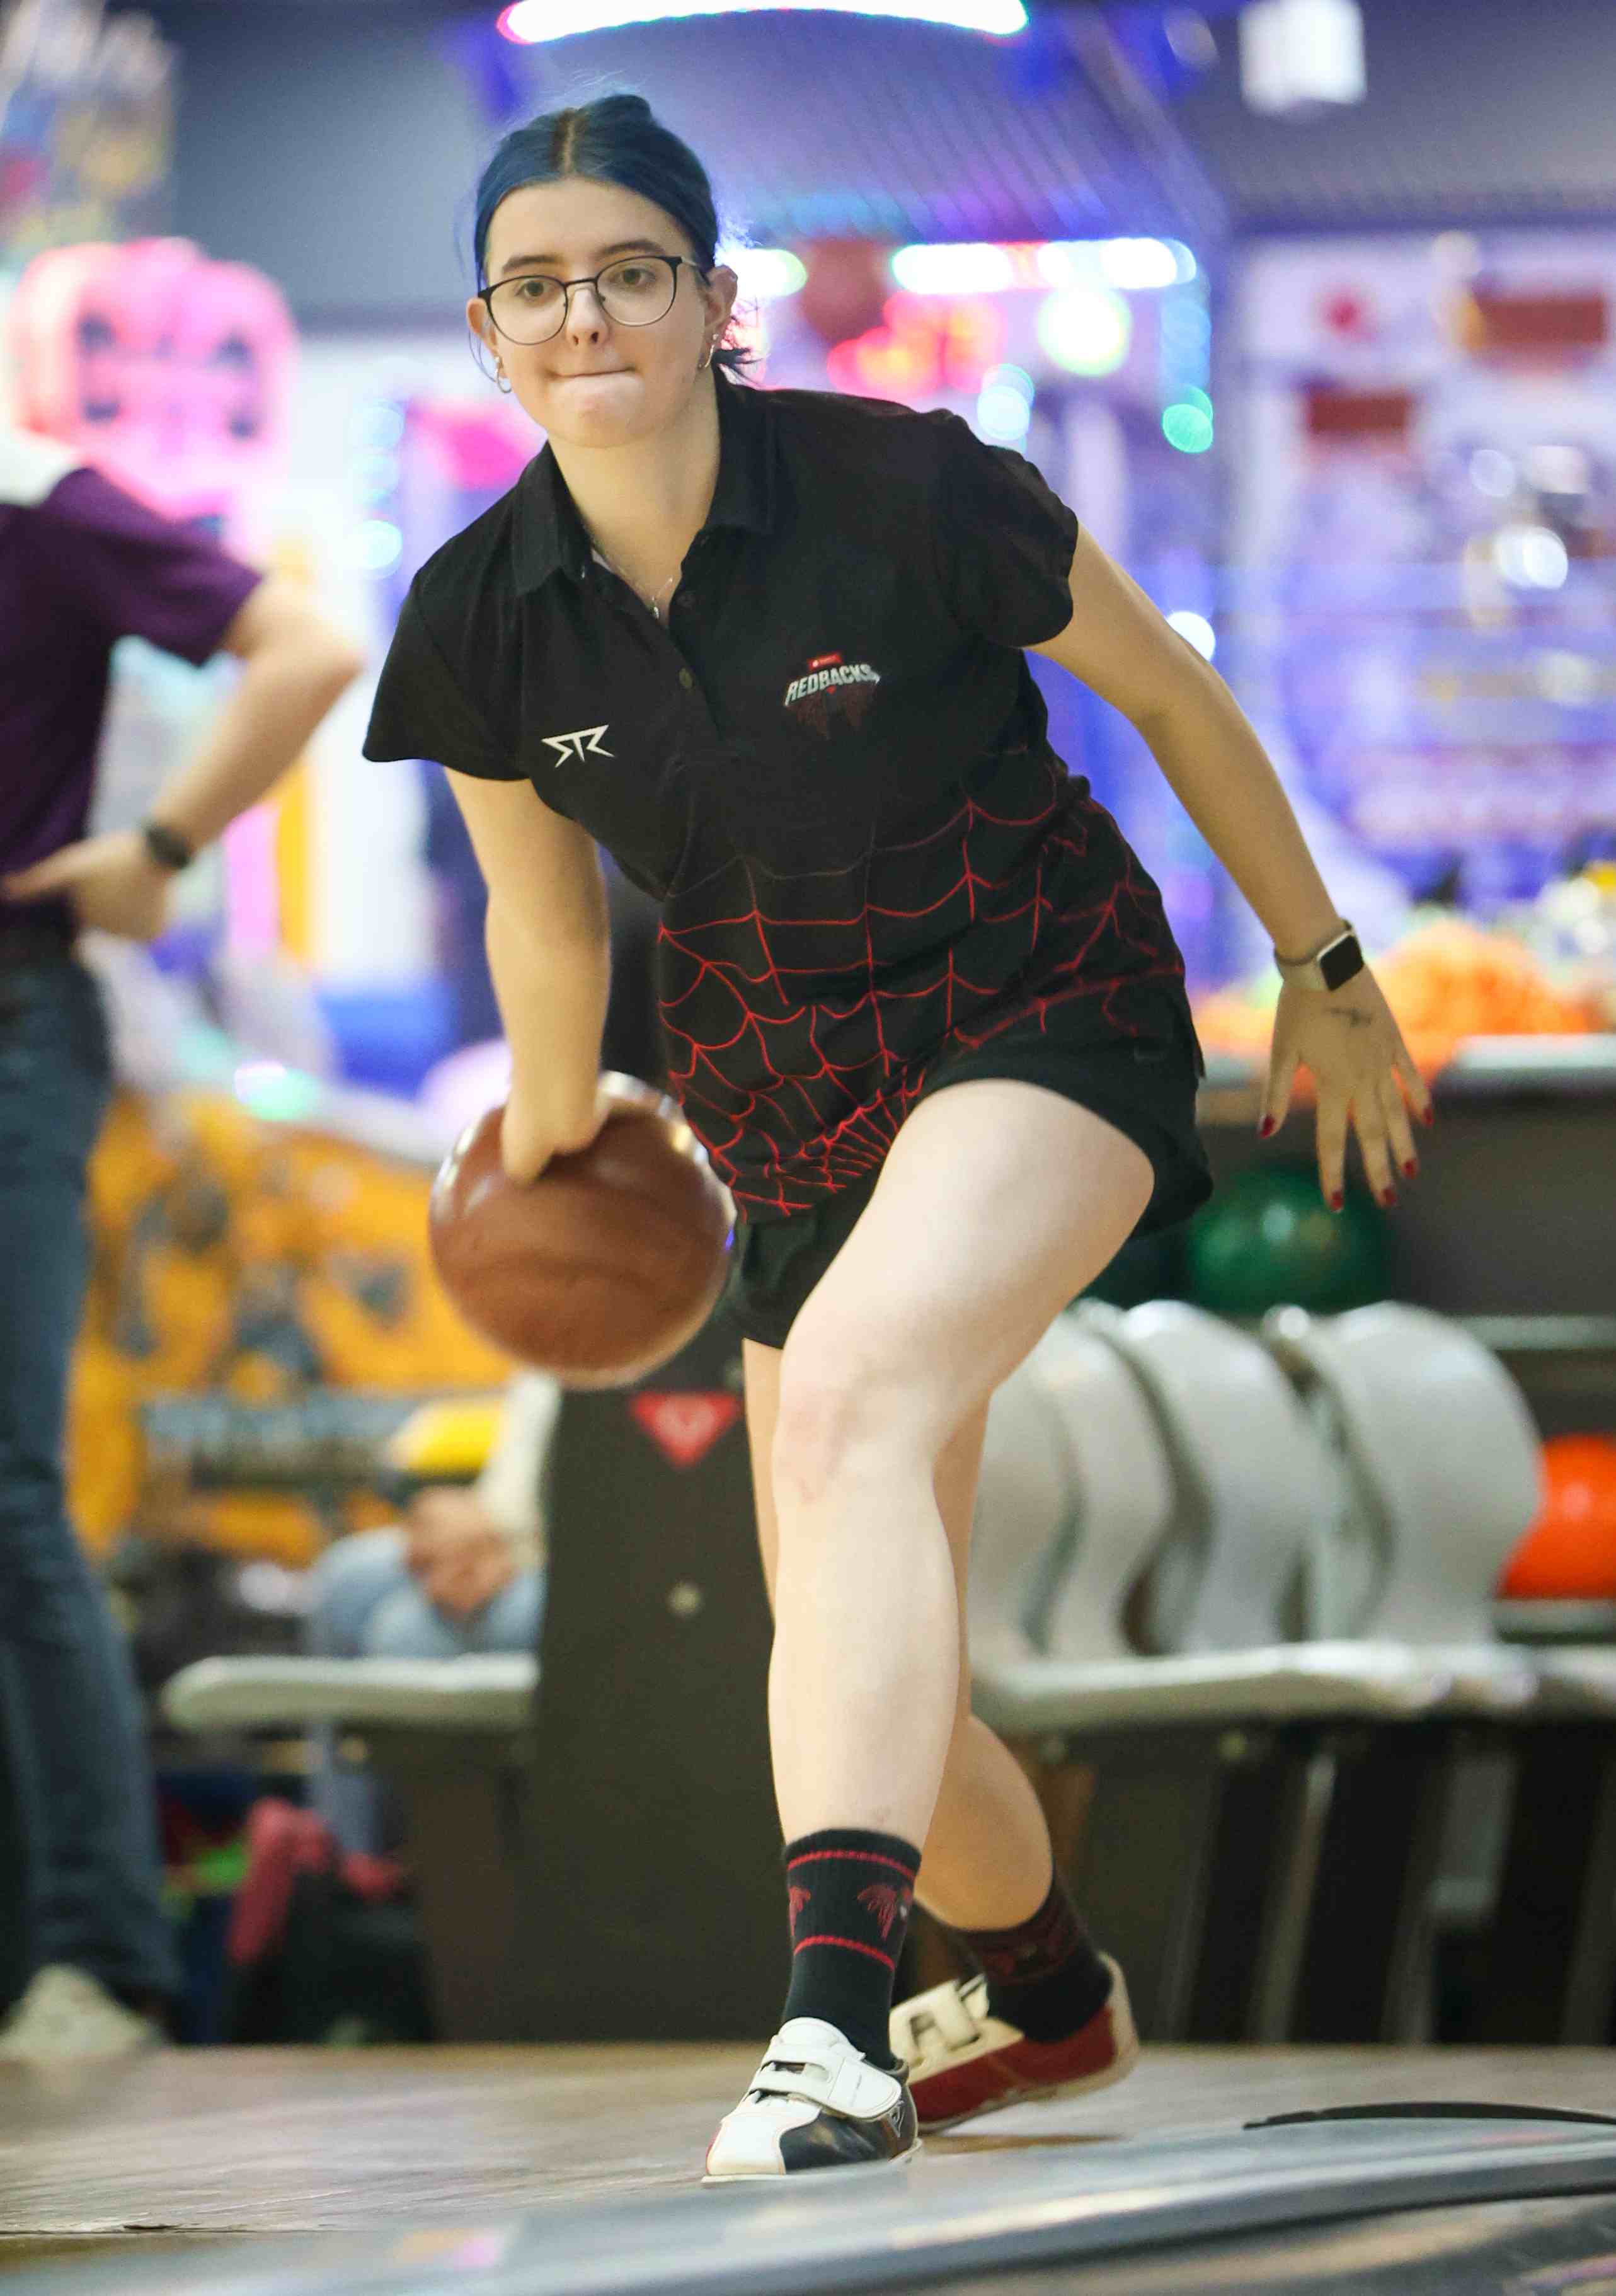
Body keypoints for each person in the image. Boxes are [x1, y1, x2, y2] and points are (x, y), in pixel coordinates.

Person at [362, 94, 1433, 2181]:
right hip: (785, 1119)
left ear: (712, 301)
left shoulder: (902, 487)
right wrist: (544, 1157)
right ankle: (1036, 1985)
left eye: (629, 271)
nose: (583, 314)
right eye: (536, 284)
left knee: (849, 1400)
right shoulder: (479, 616)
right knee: (858, 1643)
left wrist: (1321, 965)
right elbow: (544, 921)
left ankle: (828, 2033)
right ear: (488, 330)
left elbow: (1175, 699)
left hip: (1046, 1018)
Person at [0, 422, 364, 2062]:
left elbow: (307, 644)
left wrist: (158, 848)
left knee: (10, 1491)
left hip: (14, 1010)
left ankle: (102, 1953)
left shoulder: (34, 498)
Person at [303, 1373, 557, 1856]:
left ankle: (439, 1879)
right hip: (515, 1528)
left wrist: (509, 1551)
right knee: (345, 1582)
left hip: (578, 1559)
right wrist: (467, 1518)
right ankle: (350, 1856)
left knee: (404, 1633)